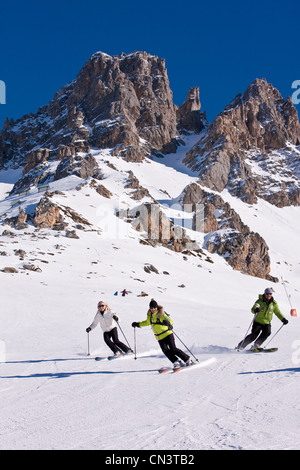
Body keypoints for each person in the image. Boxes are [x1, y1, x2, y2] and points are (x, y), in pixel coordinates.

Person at [132, 299, 191, 368]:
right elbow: (147, 322)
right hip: (159, 337)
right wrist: (138, 324)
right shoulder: (150, 316)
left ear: (157, 307)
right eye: (151, 308)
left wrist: (168, 323)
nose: (153, 309)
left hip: (167, 334)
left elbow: (169, 320)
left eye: (154, 308)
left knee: (173, 349)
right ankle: (176, 362)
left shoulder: (161, 314)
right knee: (165, 350)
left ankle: (187, 360)